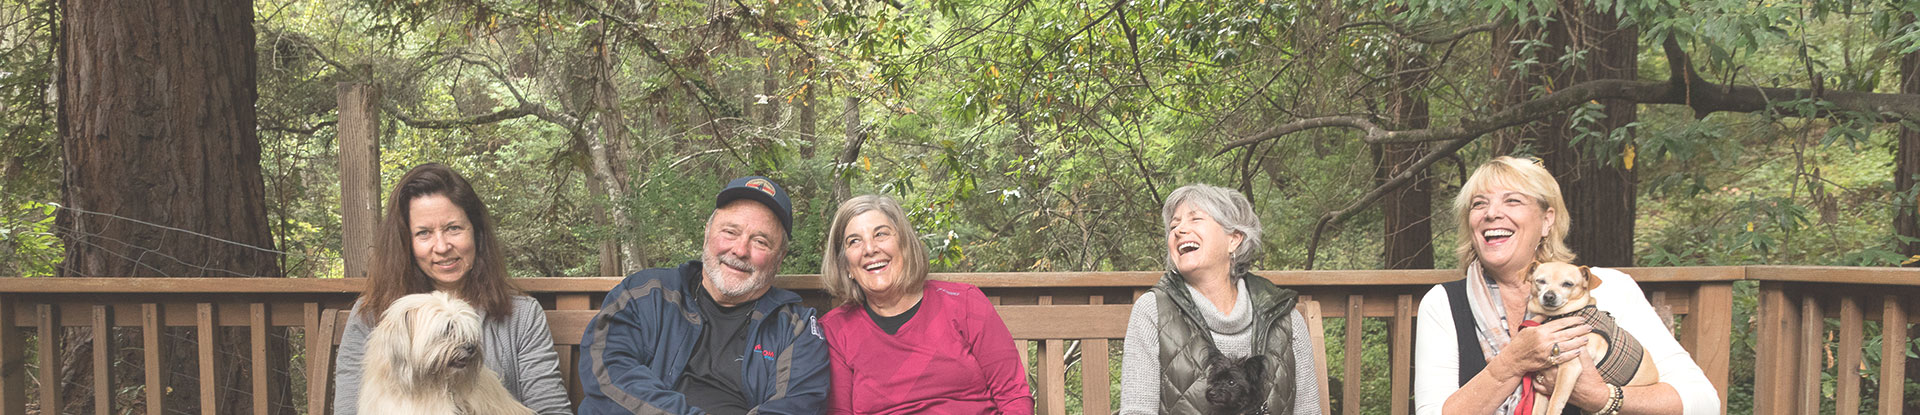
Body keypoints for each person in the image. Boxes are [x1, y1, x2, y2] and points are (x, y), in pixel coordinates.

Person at [1412, 156, 1720, 415]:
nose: (1492, 213)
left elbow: (1703, 401)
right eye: (1479, 205)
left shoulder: (1609, 289)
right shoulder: (1444, 304)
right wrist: (1511, 363)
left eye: (1513, 200)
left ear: (1547, 221)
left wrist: (1602, 397)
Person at [333, 163, 572, 415]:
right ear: (406, 243)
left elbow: (552, 409)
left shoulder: (522, 315)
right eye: (424, 233)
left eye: (453, 228)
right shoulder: (372, 314)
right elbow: (350, 408)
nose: (442, 246)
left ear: (476, 233)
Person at [578, 176, 829, 415]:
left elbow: (795, 405)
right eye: (730, 232)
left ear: (779, 258)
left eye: (761, 242)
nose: (740, 250)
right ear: (707, 232)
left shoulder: (796, 328)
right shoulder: (645, 293)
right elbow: (608, 371)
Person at [817, 194, 1034, 414]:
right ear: (844, 264)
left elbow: (1013, 397)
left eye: (881, 234)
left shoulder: (965, 303)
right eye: (854, 241)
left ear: (905, 244)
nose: (870, 248)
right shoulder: (836, 331)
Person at [1120, 183, 1320, 415]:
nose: (1178, 230)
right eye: (1174, 225)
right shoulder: (1152, 311)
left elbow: (1309, 410)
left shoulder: (1285, 317)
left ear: (1234, 239)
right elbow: (1137, 410)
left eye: (1195, 219)